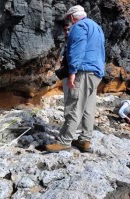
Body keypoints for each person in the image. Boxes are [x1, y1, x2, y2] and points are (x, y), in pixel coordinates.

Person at [46, 5, 105, 152]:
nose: (69, 23)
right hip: (96, 72)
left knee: (74, 105)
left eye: (69, 19)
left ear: (72, 17)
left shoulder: (79, 27)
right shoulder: (96, 27)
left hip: (83, 71)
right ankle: (85, 140)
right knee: (88, 108)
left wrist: (72, 72)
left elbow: (77, 50)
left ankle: (64, 141)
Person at [55, 23, 70, 103]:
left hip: (73, 73)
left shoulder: (76, 42)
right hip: (65, 73)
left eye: (69, 30)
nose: (67, 32)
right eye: (65, 30)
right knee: (67, 97)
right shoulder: (65, 43)